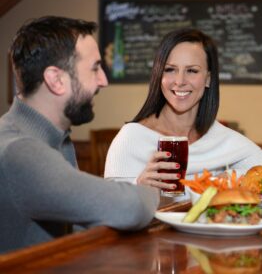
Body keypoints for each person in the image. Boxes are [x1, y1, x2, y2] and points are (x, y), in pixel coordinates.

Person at [0, 16, 159, 254]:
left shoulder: (53, 137)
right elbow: (133, 207)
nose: (103, 81)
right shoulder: (20, 150)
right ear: (56, 80)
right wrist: (153, 191)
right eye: (95, 68)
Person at [104, 28, 262, 197]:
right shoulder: (131, 138)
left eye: (192, 71)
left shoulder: (221, 138)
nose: (180, 81)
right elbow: (111, 209)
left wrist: (232, 176)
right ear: (159, 76)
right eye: (170, 70)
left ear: (207, 79)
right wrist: (140, 188)